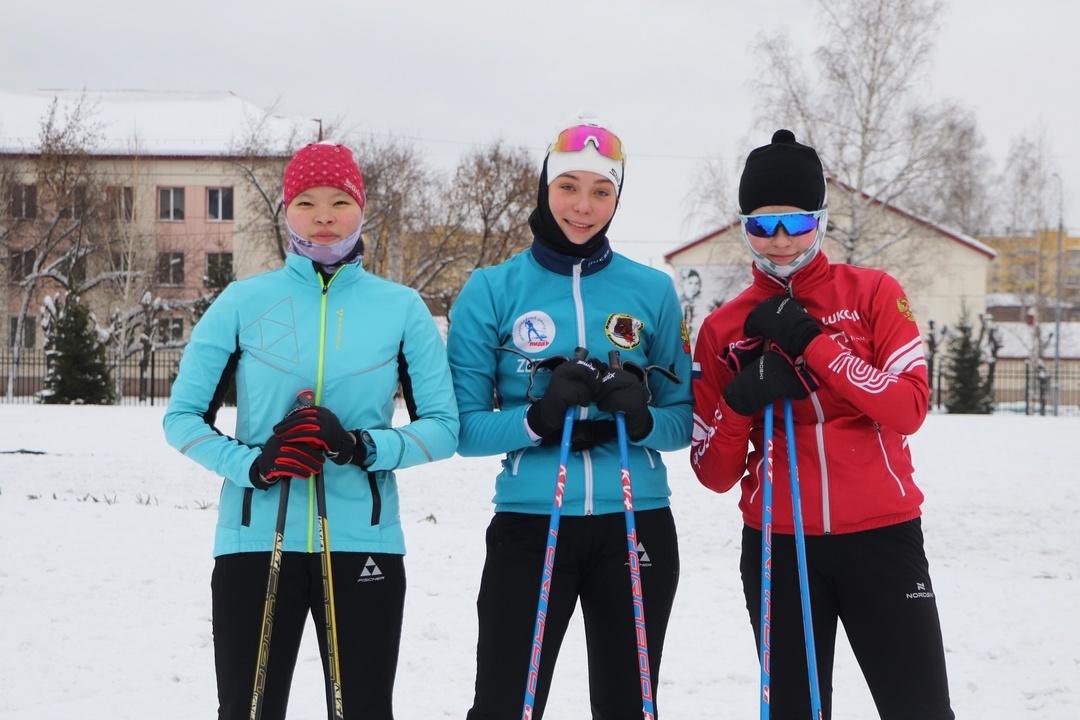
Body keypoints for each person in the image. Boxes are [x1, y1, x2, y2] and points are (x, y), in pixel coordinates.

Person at [163, 141, 459, 720]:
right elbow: (182, 420)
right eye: (306, 201)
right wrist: (253, 464)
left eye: (340, 200)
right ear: (285, 209)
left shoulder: (400, 308)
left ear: (362, 207)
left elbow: (444, 428)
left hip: (362, 544)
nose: (324, 216)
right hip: (254, 543)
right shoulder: (243, 302)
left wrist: (360, 447)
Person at [690, 129, 954, 720]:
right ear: (744, 227)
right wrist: (739, 402)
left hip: (882, 539)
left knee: (920, 709)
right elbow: (711, 472)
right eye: (761, 225)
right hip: (780, 548)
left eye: (797, 222)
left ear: (822, 220)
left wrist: (814, 346)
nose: (780, 241)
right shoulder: (723, 328)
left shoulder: (874, 294)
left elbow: (908, 407)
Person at [446, 116, 694, 720]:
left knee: (628, 707)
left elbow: (683, 420)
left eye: (601, 191)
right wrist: (539, 417)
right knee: (506, 704)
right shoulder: (492, 289)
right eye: (569, 186)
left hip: (635, 524)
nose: (583, 207)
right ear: (545, 186)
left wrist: (639, 420)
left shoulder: (653, 290)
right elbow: (463, 428)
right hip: (531, 525)